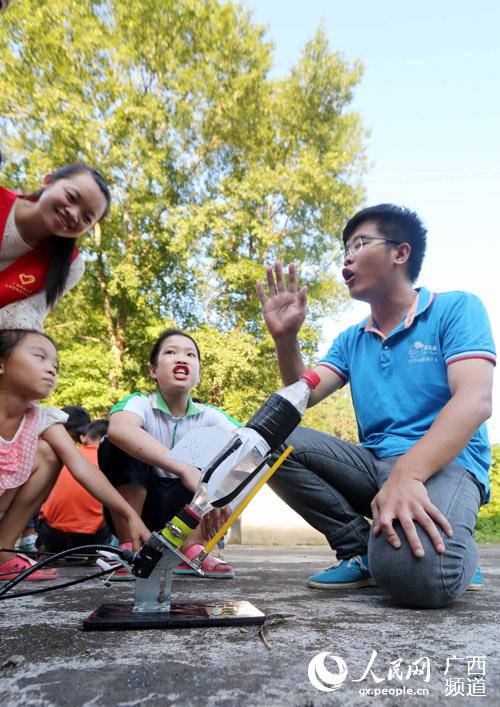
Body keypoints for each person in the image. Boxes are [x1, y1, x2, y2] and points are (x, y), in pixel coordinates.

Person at [257, 204, 495, 609]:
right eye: (345, 249)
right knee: (266, 437)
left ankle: (459, 545)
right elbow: (302, 395)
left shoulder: (455, 309)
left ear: (400, 253)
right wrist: (286, 339)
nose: (347, 257)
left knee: (421, 578)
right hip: (375, 466)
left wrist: (408, 473)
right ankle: (358, 550)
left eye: (360, 244)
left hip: (444, 465)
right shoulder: (351, 340)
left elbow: (474, 401)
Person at [0, 329, 150, 581]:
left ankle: (2, 553)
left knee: (49, 453)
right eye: (39, 357)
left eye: (55, 365)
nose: (51, 370)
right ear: (2, 363)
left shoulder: (44, 419)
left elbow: (84, 469)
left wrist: (130, 515)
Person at [98, 328, 241, 580]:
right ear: (153, 370)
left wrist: (222, 492)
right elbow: (119, 429)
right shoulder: (139, 404)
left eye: (190, 355)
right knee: (115, 444)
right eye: (171, 352)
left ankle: (194, 548)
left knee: (242, 456)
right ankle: (130, 547)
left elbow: (253, 444)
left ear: (198, 372)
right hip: (140, 511)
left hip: (188, 511)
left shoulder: (211, 416)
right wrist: (184, 468)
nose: (181, 358)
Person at [0, 162, 110, 330]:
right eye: (71, 197)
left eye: (87, 218)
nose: (73, 214)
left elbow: (28, 314)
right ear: (48, 181)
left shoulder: (71, 266)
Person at [37, 419, 113, 557]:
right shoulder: (111, 460)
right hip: (92, 541)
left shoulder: (66, 457)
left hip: (52, 536)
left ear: (84, 439)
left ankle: (45, 550)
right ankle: (99, 555)